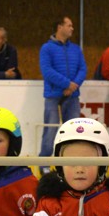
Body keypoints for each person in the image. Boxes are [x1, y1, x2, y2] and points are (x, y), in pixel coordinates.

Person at [38, 16, 87, 157]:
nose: (72, 28)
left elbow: (82, 69)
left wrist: (73, 86)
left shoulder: (76, 49)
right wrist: (67, 84)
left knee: (73, 130)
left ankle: (70, 159)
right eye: (69, 25)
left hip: (72, 96)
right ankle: (45, 162)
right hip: (53, 95)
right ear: (60, 27)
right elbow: (47, 70)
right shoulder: (47, 48)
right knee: (51, 129)